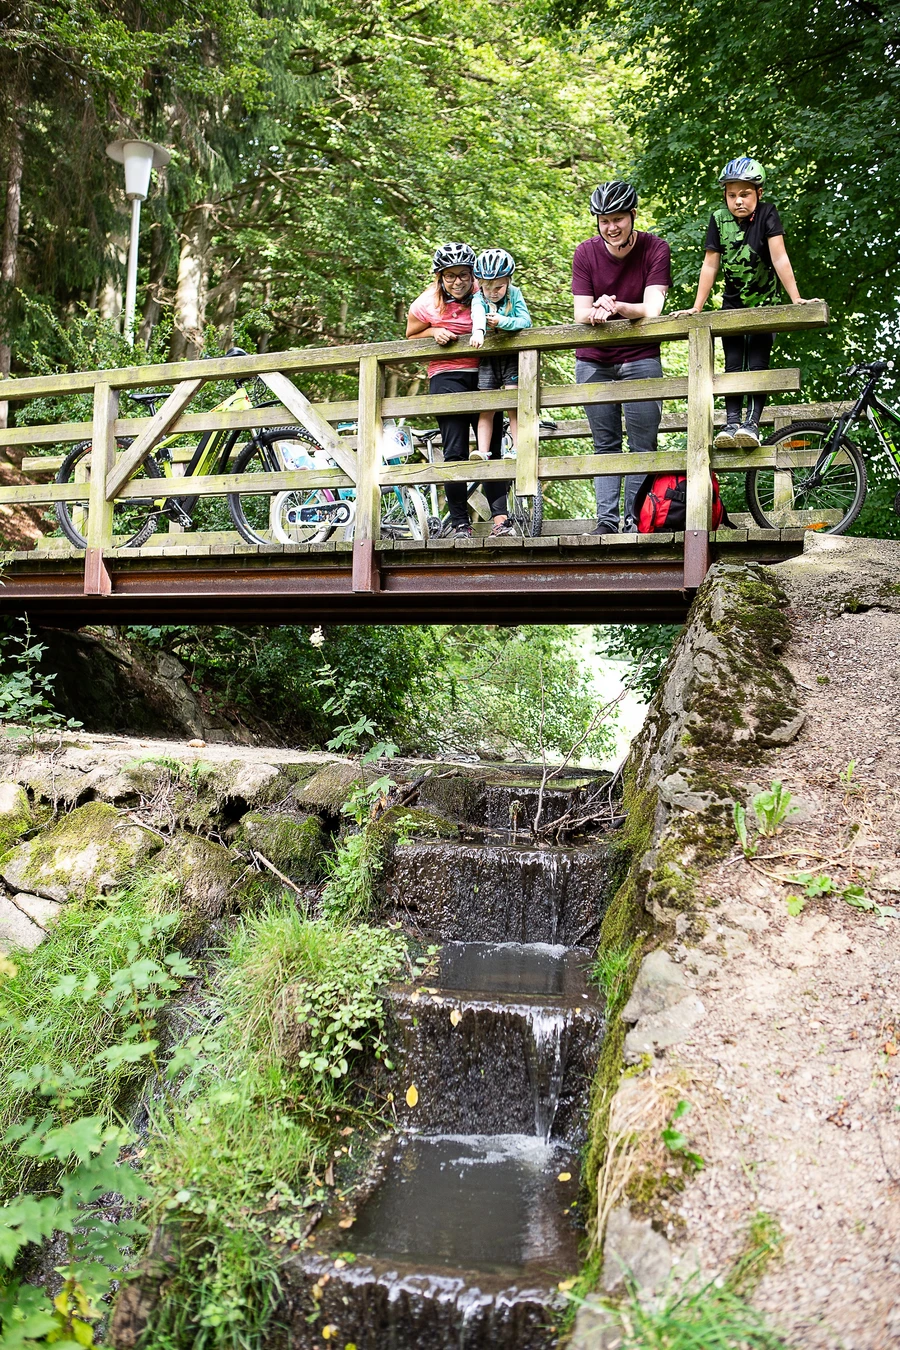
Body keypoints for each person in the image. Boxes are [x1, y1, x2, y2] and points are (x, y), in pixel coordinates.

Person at [682, 156, 817, 449]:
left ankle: (751, 424)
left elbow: (779, 256)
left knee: (757, 364)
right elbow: (710, 265)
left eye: (744, 194)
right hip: (732, 305)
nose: (738, 201)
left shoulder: (768, 214)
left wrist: (795, 299)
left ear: (758, 192)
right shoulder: (718, 219)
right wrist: (697, 306)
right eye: (732, 195)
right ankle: (731, 423)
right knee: (732, 365)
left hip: (764, 305)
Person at [572, 181, 672, 535]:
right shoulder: (585, 253)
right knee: (606, 443)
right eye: (604, 221)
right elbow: (580, 313)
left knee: (643, 442)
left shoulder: (655, 248)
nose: (611, 227)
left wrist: (618, 306)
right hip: (594, 359)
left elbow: (653, 309)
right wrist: (599, 308)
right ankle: (606, 522)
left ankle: (635, 520)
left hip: (641, 355)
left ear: (632, 216)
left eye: (618, 219)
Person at [406, 243, 514, 536]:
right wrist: (433, 331)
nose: (457, 282)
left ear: (473, 274)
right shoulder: (427, 303)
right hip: (446, 374)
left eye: (464, 275)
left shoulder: (486, 292)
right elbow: (410, 334)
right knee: (454, 450)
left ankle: (500, 520)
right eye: (450, 276)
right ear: (440, 277)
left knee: (490, 448)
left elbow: (513, 311)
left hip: (484, 371)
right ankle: (460, 523)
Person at [468, 248, 532, 463]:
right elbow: (477, 314)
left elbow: (525, 321)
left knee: (513, 403)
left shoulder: (515, 295)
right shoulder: (478, 298)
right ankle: (482, 450)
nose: (493, 292)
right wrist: (479, 331)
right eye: (487, 287)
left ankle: (516, 447)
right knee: (487, 405)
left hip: (512, 355)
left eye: (499, 287)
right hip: (489, 356)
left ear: (508, 282)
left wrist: (503, 322)